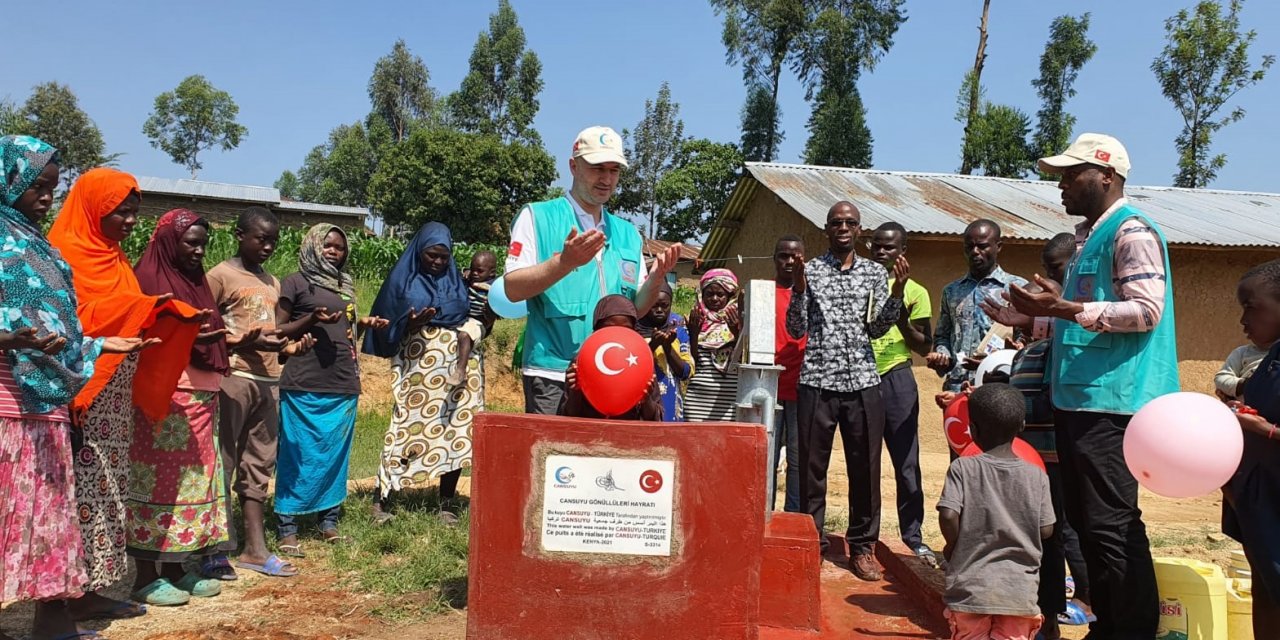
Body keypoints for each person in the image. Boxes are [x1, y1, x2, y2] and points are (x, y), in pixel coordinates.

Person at [1009, 133, 1178, 638]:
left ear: (1105, 175)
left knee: (1111, 526)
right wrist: (1040, 313)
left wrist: (1068, 308)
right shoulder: (1089, 238)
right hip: (1080, 400)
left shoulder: (1130, 232)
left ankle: (1132, 628)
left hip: (1112, 402)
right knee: (1087, 524)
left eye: (1070, 174)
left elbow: (1147, 310)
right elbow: (1078, 318)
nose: (1060, 184)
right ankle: (1110, 625)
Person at [0, 136, 156, 640]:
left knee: (49, 513)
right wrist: (8, 337)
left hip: (49, 402)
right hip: (7, 400)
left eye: (51, 187)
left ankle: (53, 616)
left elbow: (63, 320)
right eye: (35, 186)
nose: (46, 197)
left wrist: (98, 345)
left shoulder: (37, 244)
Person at [47, 167, 207, 620]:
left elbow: (123, 313)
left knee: (109, 489)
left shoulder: (115, 260)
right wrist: (143, 307)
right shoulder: (64, 254)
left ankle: (93, 586)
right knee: (80, 492)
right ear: (96, 208)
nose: (131, 221)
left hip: (115, 399)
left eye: (135, 213)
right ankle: (65, 593)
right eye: (122, 212)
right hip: (81, 392)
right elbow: (71, 320)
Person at [504, 126, 681, 414]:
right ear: (573, 166)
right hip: (556, 373)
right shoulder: (537, 216)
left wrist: (657, 278)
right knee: (555, 457)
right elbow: (512, 289)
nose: (606, 178)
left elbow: (636, 306)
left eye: (614, 170)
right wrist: (563, 264)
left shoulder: (627, 233)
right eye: (597, 168)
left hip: (617, 374)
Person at [786, 201, 909, 581]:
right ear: (826, 229)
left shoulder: (874, 272)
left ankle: (862, 548)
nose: (843, 227)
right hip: (817, 383)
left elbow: (876, 329)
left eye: (850, 222)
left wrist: (897, 292)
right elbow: (795, 329)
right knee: (811, 470)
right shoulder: (811, 272)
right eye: (836, 222)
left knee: (865, 470)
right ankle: (812, 544)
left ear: (859, 231)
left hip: (862, 383)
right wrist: (800, 289)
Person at [126, 209, 242, 605]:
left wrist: (214, 335)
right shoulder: (149, 279)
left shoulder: (195, 281)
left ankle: (176, 567)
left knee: (191, 486)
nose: (198, 250)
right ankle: (144, 574)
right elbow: (148, 335)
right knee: (157, 483)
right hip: (167, 395)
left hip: (202, 394)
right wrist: (189, 331)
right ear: (169, 242)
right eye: (190, 242)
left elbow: (206, 334)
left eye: (203, 244)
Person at [992, 233, 1093, 638]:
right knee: (1042, 540)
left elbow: (1049, 403)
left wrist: (1013, 412)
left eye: (1056, 270)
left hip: (1062, 460)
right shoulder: (1025, 354)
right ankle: (1045, 616)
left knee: (1069, 534)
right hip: (1032, 466)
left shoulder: (1068, 345)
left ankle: (1081, 602)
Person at [207, 207, 308, 579]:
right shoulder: (220, 276)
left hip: (269, 381)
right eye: (260, 238)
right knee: (225, 460)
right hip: (234, 379)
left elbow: (274, 337)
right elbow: (205, 331)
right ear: (239, 235)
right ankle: (216, 546)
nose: (267, 246)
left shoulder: (272, 282)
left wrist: (292, 349)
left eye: (272, 241)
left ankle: (254, 548)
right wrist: (235, 344)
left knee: (259, 464)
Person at [274, 225, 386, 553]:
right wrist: (310, 320)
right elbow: (278, 331)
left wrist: (362, 323)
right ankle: (287, 524)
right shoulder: (295, 282)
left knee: (335, 455)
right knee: (297, 454)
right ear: (312, 247)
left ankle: (328, 521)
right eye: (327, 246)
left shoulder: (345, 286)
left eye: (339, 247)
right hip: (303, 379)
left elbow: (344, 328)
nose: (334, 252)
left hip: (343, 381)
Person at [364, 222, 481, 525]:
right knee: (403, 427)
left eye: (444, 257)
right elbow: (385, 323)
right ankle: (382, 498)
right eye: (432, 255)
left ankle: (446, 503)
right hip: (417, 371)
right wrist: (411, 324)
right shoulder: (402, 282)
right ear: (420, 251)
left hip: (457, 371)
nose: (439, 262)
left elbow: (473, 315)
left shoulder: (456, 281)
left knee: (455, 432)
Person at [938, 383, 1055, 640]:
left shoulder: (962, 468)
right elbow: (1046, 529)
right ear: (1022, 426)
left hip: (970, 588)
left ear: (973, 430)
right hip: (1019, 591)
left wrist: (953, 546)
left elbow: (948, 515)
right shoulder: (1037, 476)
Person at [867, 222, 936, 566]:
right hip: (861, 379)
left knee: (906, 463)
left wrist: (903, 320)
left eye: (889, 248)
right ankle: (866, 538)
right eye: (876, 246)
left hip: (897, 377)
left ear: (902, 253)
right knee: (865, 464)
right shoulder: (858, 288)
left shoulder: (917, 292)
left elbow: (925, 345)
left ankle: (913, 536)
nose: (881, 253)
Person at [1224, 259, 1280, 636]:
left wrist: (1268, 430)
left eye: (1251, 306)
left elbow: (1267, 426)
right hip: (1258, 499)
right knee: (1266, 591)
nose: (1243, 319)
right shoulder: (1271, 358)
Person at [928, 219, 1027, 391]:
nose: (975, 252)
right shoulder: (952, 291)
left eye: (982, 246)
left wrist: (1009, 353)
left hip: (999, 385)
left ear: (999, 246)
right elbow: (942, 335)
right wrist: (942, 356)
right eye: (969, 247)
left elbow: (1026, 337)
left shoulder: (1017, 288)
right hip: (956, 387)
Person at [562, 295, 663, 421]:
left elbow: (654, 420)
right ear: (596, 329)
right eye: (609, 327)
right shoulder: (581, 361)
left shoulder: (641, 361)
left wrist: (646, 398)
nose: (617, 334)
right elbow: (567, 417)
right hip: (589, 436)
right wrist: (575, 391)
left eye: (625, 329)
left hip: (629, 437)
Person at [773, 235, 807, 512]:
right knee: (767, 457)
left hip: (802, 386)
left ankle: (793, 515)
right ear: (774, 258)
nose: (789, 262)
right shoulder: (761, 292)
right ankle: (764, 513)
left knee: (798, 458)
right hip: (769, 386)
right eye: (783, 255)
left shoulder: (811, 295)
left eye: (795, 257)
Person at [684, 269, 742, 423]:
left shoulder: (739, 321)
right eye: (709, 294)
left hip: (730, 400)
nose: (714, 299)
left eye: (720, 294)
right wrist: (694, 334)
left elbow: (743, 358)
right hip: (697, 399)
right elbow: (691, 361)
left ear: (730, 295)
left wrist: (737, 334)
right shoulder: (695, 320)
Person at [637, 281, 693, 421]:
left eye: (665, 306)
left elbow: (686, 372)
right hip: (643, 402)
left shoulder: (678, 330)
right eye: (654, 306)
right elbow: (632, 367)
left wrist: (668, 349)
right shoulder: (633, 330)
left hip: (671, 404)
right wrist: (652, 346)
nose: (660, 310)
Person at [451, 250, 497, 386]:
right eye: (473, 269)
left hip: (479, 322)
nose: (475, 273)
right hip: (463, 317)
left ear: (492, 273)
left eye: (480, 271)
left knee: (464, 336)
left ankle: (460, 370)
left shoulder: (495, 287)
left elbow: (498, 311)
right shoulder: (469, 279)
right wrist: (466, 272)